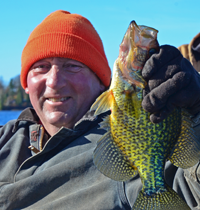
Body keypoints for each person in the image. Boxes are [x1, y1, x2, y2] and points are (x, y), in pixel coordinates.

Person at [0, 10, 200, 210]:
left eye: (72, 66)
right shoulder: (5, 138)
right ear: (26, 83)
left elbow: (191, 186)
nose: (54, 82)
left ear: (102, 82)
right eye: (41, 67)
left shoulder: (120, 146)